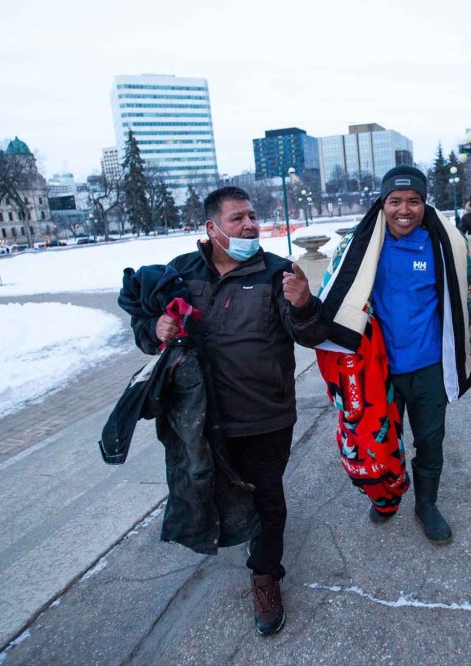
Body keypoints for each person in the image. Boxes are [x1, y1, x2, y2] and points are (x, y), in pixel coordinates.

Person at [130, 186, 330, 637]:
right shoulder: (181, 273)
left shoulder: (278, 273)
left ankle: (265, 576)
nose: (250, 225)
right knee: (207, 485)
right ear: (212, 228)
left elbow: (313, 334)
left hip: (264, 415)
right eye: (238, 218)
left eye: (253, 216)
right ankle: (230, 534)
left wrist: (304, 304)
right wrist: (153, 327)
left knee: (267, 498)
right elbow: (145, 330)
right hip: (199, 417)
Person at [318, 165, 471, 544]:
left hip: (428, 367)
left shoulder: (443, 246)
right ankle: (386, 497)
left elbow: (466, 298)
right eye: (395, 200)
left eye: (414, 201)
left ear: (424, 204)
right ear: (382, 204)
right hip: (379, 370)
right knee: (379, 440)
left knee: (430, 440)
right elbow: (334, 296)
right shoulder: (361, 248)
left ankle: (426, 505)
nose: (404, 209)